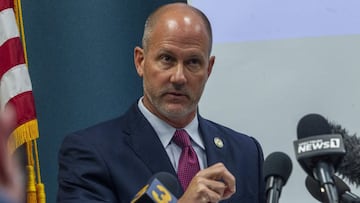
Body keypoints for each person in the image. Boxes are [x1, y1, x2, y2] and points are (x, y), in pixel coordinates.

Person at [57, 2, 265, 203]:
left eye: (193, 62)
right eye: (167, 59)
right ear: (140, 61)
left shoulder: (246, 153)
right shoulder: (92, 151)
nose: (178, 77)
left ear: (208, 69)